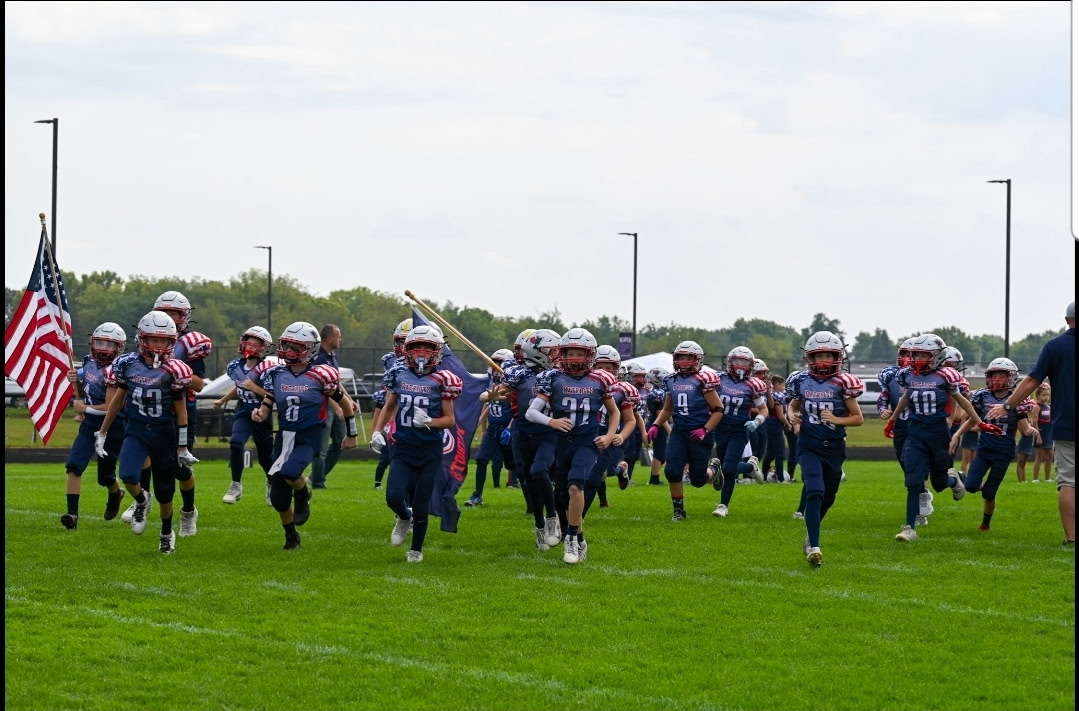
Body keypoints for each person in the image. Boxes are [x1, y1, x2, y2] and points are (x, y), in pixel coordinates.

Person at [96, 312, 198, 555]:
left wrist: (182, 447)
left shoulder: (174, 370)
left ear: (171, 341)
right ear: (142, 339)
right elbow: (118, 400)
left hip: (164, 434)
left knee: (165, 492)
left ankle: (166, 533)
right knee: (128, 475)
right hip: (137, 430)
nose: (159, 345)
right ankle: (142, 501)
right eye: (154, 339)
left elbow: (181, 413)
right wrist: (102, 432)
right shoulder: (128, 364)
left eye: (163, 340)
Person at [250, 321, 358, 550]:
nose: (289, 351)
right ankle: (291, 536)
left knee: (290, 471)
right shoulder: (277, 373)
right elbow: (270, 398)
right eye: (287, 345)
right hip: (284, 437)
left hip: (309, 435)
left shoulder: (320, 375)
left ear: (310, 349)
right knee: (278, 497)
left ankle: (302, 492)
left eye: (295, 347)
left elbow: (345, 404)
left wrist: (352, 433)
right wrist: (261, 412)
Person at [885, 333, 1001, 543]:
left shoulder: (945, 376)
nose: (917, 359)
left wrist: (980, 422)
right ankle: (910, 528)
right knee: (913, 481)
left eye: (923, 355)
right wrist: (892, 420)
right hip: (915, 432)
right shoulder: (907, 375)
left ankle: (954, 480)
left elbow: (963, 401)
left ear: (937, 356)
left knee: (939, 483)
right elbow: (905, 397)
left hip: (938, 434)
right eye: (915, 354)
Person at [527, 328, 620, 564]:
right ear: (562, 353)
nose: (574, 358)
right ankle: (580, 538)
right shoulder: (553, 378)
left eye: (580, 353)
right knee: (562, 496)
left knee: (575, 487)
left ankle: (570, 538)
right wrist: (551, 421)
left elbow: (614, 412)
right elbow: (531, 412)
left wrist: (609, 436)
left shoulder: (600, 379)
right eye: (570, 352)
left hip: (587, 442)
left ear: (589, 355)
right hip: (562, 442)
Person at [121, 290, 211, 533]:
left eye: (175, 313)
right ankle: (142, 499)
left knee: (179, 469)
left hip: (179, 409)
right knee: (143, 456)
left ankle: (188, 511)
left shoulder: (190, 343)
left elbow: (199, 385)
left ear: (185, 316)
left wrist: (173, 371)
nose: (169, 317)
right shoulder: (149, 336)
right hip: (147, 409)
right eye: (165, 312)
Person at [370, 324, 462, 563]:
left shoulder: (443, 379)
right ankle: (404, 516)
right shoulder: (398, 373)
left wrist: (430, 421)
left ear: (437, 350)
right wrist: (377, 431)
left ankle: (416, 550)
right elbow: (389, 406)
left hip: (430, 449)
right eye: (416, 346)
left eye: (427, 347)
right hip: (404, 446)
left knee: (421, 501)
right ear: (407, 350)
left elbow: (450, 419)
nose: (421, 351)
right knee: (393, 496)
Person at [988, 301, 1075, 546]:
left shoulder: (1055, 346)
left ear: (1067, 320)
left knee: (1069, 483)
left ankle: (1071, 538)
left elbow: (1032, 381)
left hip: (1066, 424)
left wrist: (1008, 405)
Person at [785, 331, 865, 568]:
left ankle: (811, 533)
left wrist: (836, 419)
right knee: (815, 490)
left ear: (837, 357)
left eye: (828, 356)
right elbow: (793, 405)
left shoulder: (843, 383)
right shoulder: (801, 380)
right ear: (810, 358)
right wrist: (791, 414)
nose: (823, 361)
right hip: (809, 445)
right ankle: (815, 546)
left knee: (828, 496)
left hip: (834, 447)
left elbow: (858, 418)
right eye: (819, 356)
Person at [494, 328, 563, 552]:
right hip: (522, 431)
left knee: (540, 471)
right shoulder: (519, 373)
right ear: (537, 352)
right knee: (527, 480)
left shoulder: (559, 373)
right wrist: (490, 395)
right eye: (552, 350)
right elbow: (501, 393)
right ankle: (539, 525)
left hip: (548, 431)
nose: (556, 355)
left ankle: (552, 517)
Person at [949, 358, 1037, 532]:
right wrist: (957, 435)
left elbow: (1024, 428)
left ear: (1011, 377)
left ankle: (985, 524)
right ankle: (970, 480)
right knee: (971, 486)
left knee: (989, 494)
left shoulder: (1016, 399)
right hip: (984, 449)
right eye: (994, 375)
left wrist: (1030, 431)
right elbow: (972, 420)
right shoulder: (982, 396)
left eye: (1001, 375)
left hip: (1004, 452)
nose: (997, 379)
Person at [60, 323, 129, 530]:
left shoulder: (116, 370)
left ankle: (116, 493)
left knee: (105, 476)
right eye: (100, 343)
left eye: (109, 344)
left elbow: (110, 407)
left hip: (112, 426)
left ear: (119, 347)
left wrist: (85, 408)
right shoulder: (89, 362)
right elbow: (84, 385)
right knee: (74, 465)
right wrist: (75, 379)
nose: (103, 348)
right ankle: (72, 514)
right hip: (90, 424)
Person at [649, 341, 724, 521]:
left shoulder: (703, 380)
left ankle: (714, 468)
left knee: (697, 480)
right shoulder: (671, 380)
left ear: (697, 359)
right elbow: (667, 409)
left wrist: (705, 429)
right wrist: (655, 425)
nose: (683, 361)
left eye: (688, 358)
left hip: (700, 432)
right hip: (680, 432)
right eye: (680, 357)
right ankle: (679, 511)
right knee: (672, 471)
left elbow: (718, 410)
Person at [212, 326, 276, 505]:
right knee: (235, 442)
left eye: (255, 343)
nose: (249, 345)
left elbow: (272, 395)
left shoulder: (267, 368)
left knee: (265, 458)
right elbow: (240, 386)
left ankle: (271, 483)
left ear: (264, 347)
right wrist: (222, 400)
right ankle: (235, 485)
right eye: (248, 341)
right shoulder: (236, 366)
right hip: (244, 412)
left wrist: (254, 387)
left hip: (262, 415)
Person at [706, 346, 769, 517]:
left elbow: (764, 409)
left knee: (728, 468)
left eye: (744, 362)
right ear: (730, 362)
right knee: (725, 466)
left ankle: (723, 505)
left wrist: (757, 421)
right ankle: (750, 466)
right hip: (720, 428)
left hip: (739, 430)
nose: (740, 365)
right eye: (737, 360)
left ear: (751, 365)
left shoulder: (752, 385)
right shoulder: (718, 379)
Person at [878, 337, 932, 527]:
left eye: (911, 354)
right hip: (900, 427)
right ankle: (922, 493)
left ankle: (919, 507)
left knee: (915, 468)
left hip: (920, 427)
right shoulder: (891, 375)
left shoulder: (928, 375)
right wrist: (882, 410)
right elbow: (883, 397)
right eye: (903, 353)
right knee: (906, 464)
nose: (907, 358)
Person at [465, 348, 515, 506]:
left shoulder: (512, 383)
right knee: (481, 459)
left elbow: (518, 409)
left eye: (499, 363)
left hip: (508, 428)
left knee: (515, 465)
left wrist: (510, 428)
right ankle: (477, 496)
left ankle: (533, 502)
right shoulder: (490, 382)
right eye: (494, 362)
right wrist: (479, 425)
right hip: (494, 428)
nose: (495, 366)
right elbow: (488, 406)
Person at [308, 324, 347, 489]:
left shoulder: (332, 357)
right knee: (321, 447)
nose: (340, 340)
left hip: (336, 404)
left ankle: (315, 476)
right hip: (323, 406)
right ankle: (318, 482)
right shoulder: (318, 358)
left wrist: (349, 400)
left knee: (341, 441)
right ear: (330, 339)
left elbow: (336, 383)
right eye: (338, 337)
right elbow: (321, 388)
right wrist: (337, 407)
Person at [644, 367, 672, 486]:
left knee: (661, 453)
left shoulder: (658, 391)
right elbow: (660, 414)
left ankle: (653, 478)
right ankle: (654, 479)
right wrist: (669, 430)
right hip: (658, 424)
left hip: (656, 423)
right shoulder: (657, 393)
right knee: (659, 453)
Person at [1032, 383, 1054, 483]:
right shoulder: (1037, 406)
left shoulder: (1048, 407)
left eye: (1048, 395)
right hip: (1041, 432)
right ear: (1038, 395)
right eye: (1044, 395)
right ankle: (1035, 479)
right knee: (1039, 457)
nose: (1046, 397)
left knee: (1049, 457)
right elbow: (1034, 422)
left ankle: (1047, 478)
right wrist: (1038, 436)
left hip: (1049, 433)